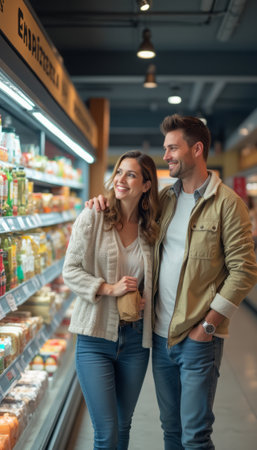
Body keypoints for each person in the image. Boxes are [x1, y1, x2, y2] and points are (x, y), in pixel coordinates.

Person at [86, 114, 257, 450]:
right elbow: (129, 215)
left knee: (195, 436)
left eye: (172, 148)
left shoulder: (228, 204)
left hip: (198, 338)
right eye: (165, 148)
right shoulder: (165, 199)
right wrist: (100, 202)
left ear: (197, 149)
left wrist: (207, 327)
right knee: (171, 431)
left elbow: (244, 270)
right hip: (159, 338)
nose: (165, 156)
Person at [62, 150, 159, 450]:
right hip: (94, 338)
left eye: (131, 174)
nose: (121, 179)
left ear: (146, 185)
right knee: (105, 432)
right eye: (119, 172)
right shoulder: (94, 216)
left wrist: (145, 299)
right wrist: (108, 288)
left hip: (135, 342)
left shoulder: (151, 229)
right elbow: (70, 271)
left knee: (123, 425)